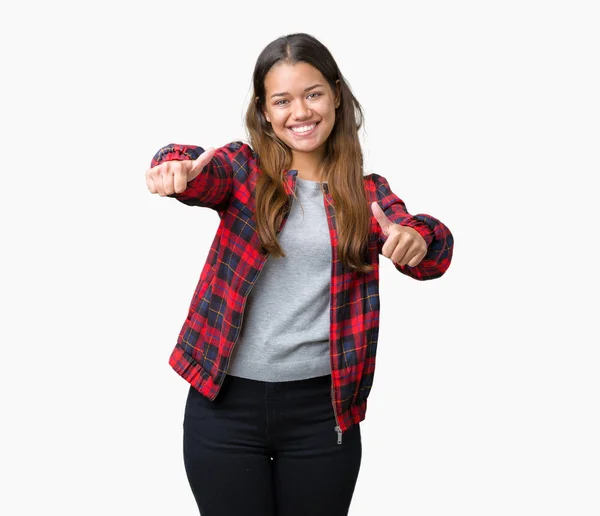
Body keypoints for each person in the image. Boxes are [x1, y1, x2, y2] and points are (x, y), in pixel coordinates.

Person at [145, 32, 453, 516]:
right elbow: (198, 174)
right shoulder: (242, 169)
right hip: (225, 406)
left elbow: (430, 249)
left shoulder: (365, 192)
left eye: (312, 94)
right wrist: (173, 168)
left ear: (335, 95)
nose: (301, 112)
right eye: (282, 100)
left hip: (322, 412)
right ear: (265, 112)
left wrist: (418, 239)